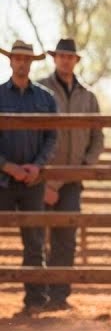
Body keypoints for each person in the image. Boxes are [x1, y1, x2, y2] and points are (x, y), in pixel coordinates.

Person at [38, 38, 104, 310]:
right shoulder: (41, 90)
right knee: (38, 237)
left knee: (66, 238)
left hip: (74, 179)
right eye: (61, 56)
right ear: (55, 59)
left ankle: (59, 295)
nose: (66, 60)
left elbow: (97, 135)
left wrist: (85, 165)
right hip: (41, 178)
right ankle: (39, 293)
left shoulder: (87, 96)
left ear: (76, 61)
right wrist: (47, 180)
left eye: (70, 57)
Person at [0, 40, 57, 315]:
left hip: (33, 180)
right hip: (2, 179)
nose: (22, 63)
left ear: (32, 63)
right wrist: (7, 166)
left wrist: (37, 166)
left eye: (26, 59)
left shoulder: (45, 98)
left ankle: (36, 299)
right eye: (17, 58)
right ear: (10, 61)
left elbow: (52, 135)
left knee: (34, 239)